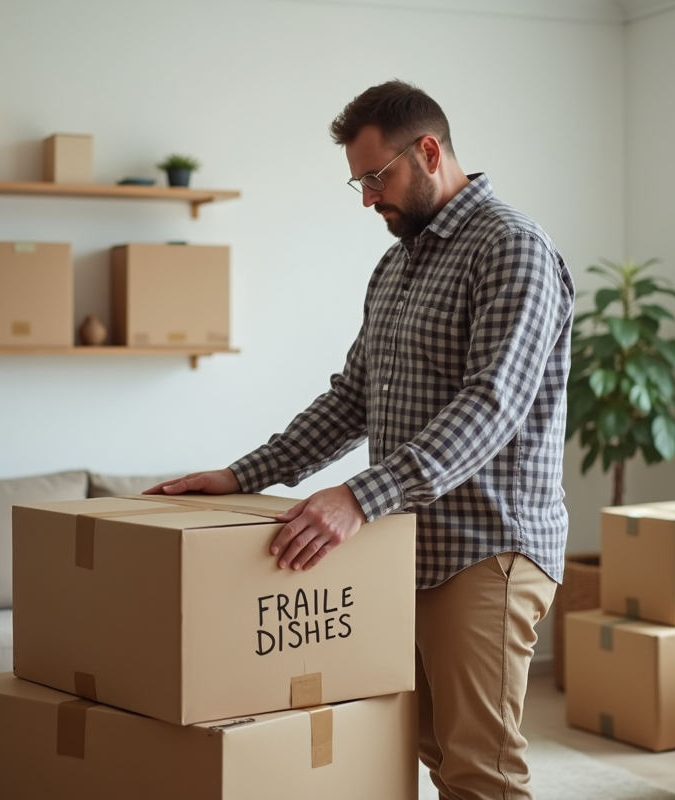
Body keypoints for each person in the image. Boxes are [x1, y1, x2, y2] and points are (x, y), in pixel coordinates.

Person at [146, 80, 574, 800]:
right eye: (359, 183)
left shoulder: (512, 248)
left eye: (377, 178)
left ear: (429, 151)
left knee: (482, 771)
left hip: (488, 548)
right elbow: (353, 399)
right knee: (435, 752)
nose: (369, 199)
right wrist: (244, 473)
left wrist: (358, 498)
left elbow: (491, 405)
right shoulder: (398, 263)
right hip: (408, 547)